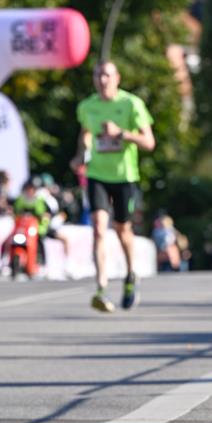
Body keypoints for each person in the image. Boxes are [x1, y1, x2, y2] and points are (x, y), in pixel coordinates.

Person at [71, 60, 155, 312]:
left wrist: (122, 133)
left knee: (122, 230)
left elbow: (149, 142)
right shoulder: (87, 106)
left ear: (117, 78)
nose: (102, 80)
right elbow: (86, 133)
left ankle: (130, 275)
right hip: (97, 175)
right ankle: (101, 289)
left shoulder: (131, 104)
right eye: (98, 75)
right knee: (98, 229)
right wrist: (80, 155)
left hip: (125, 177)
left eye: (107, 75)